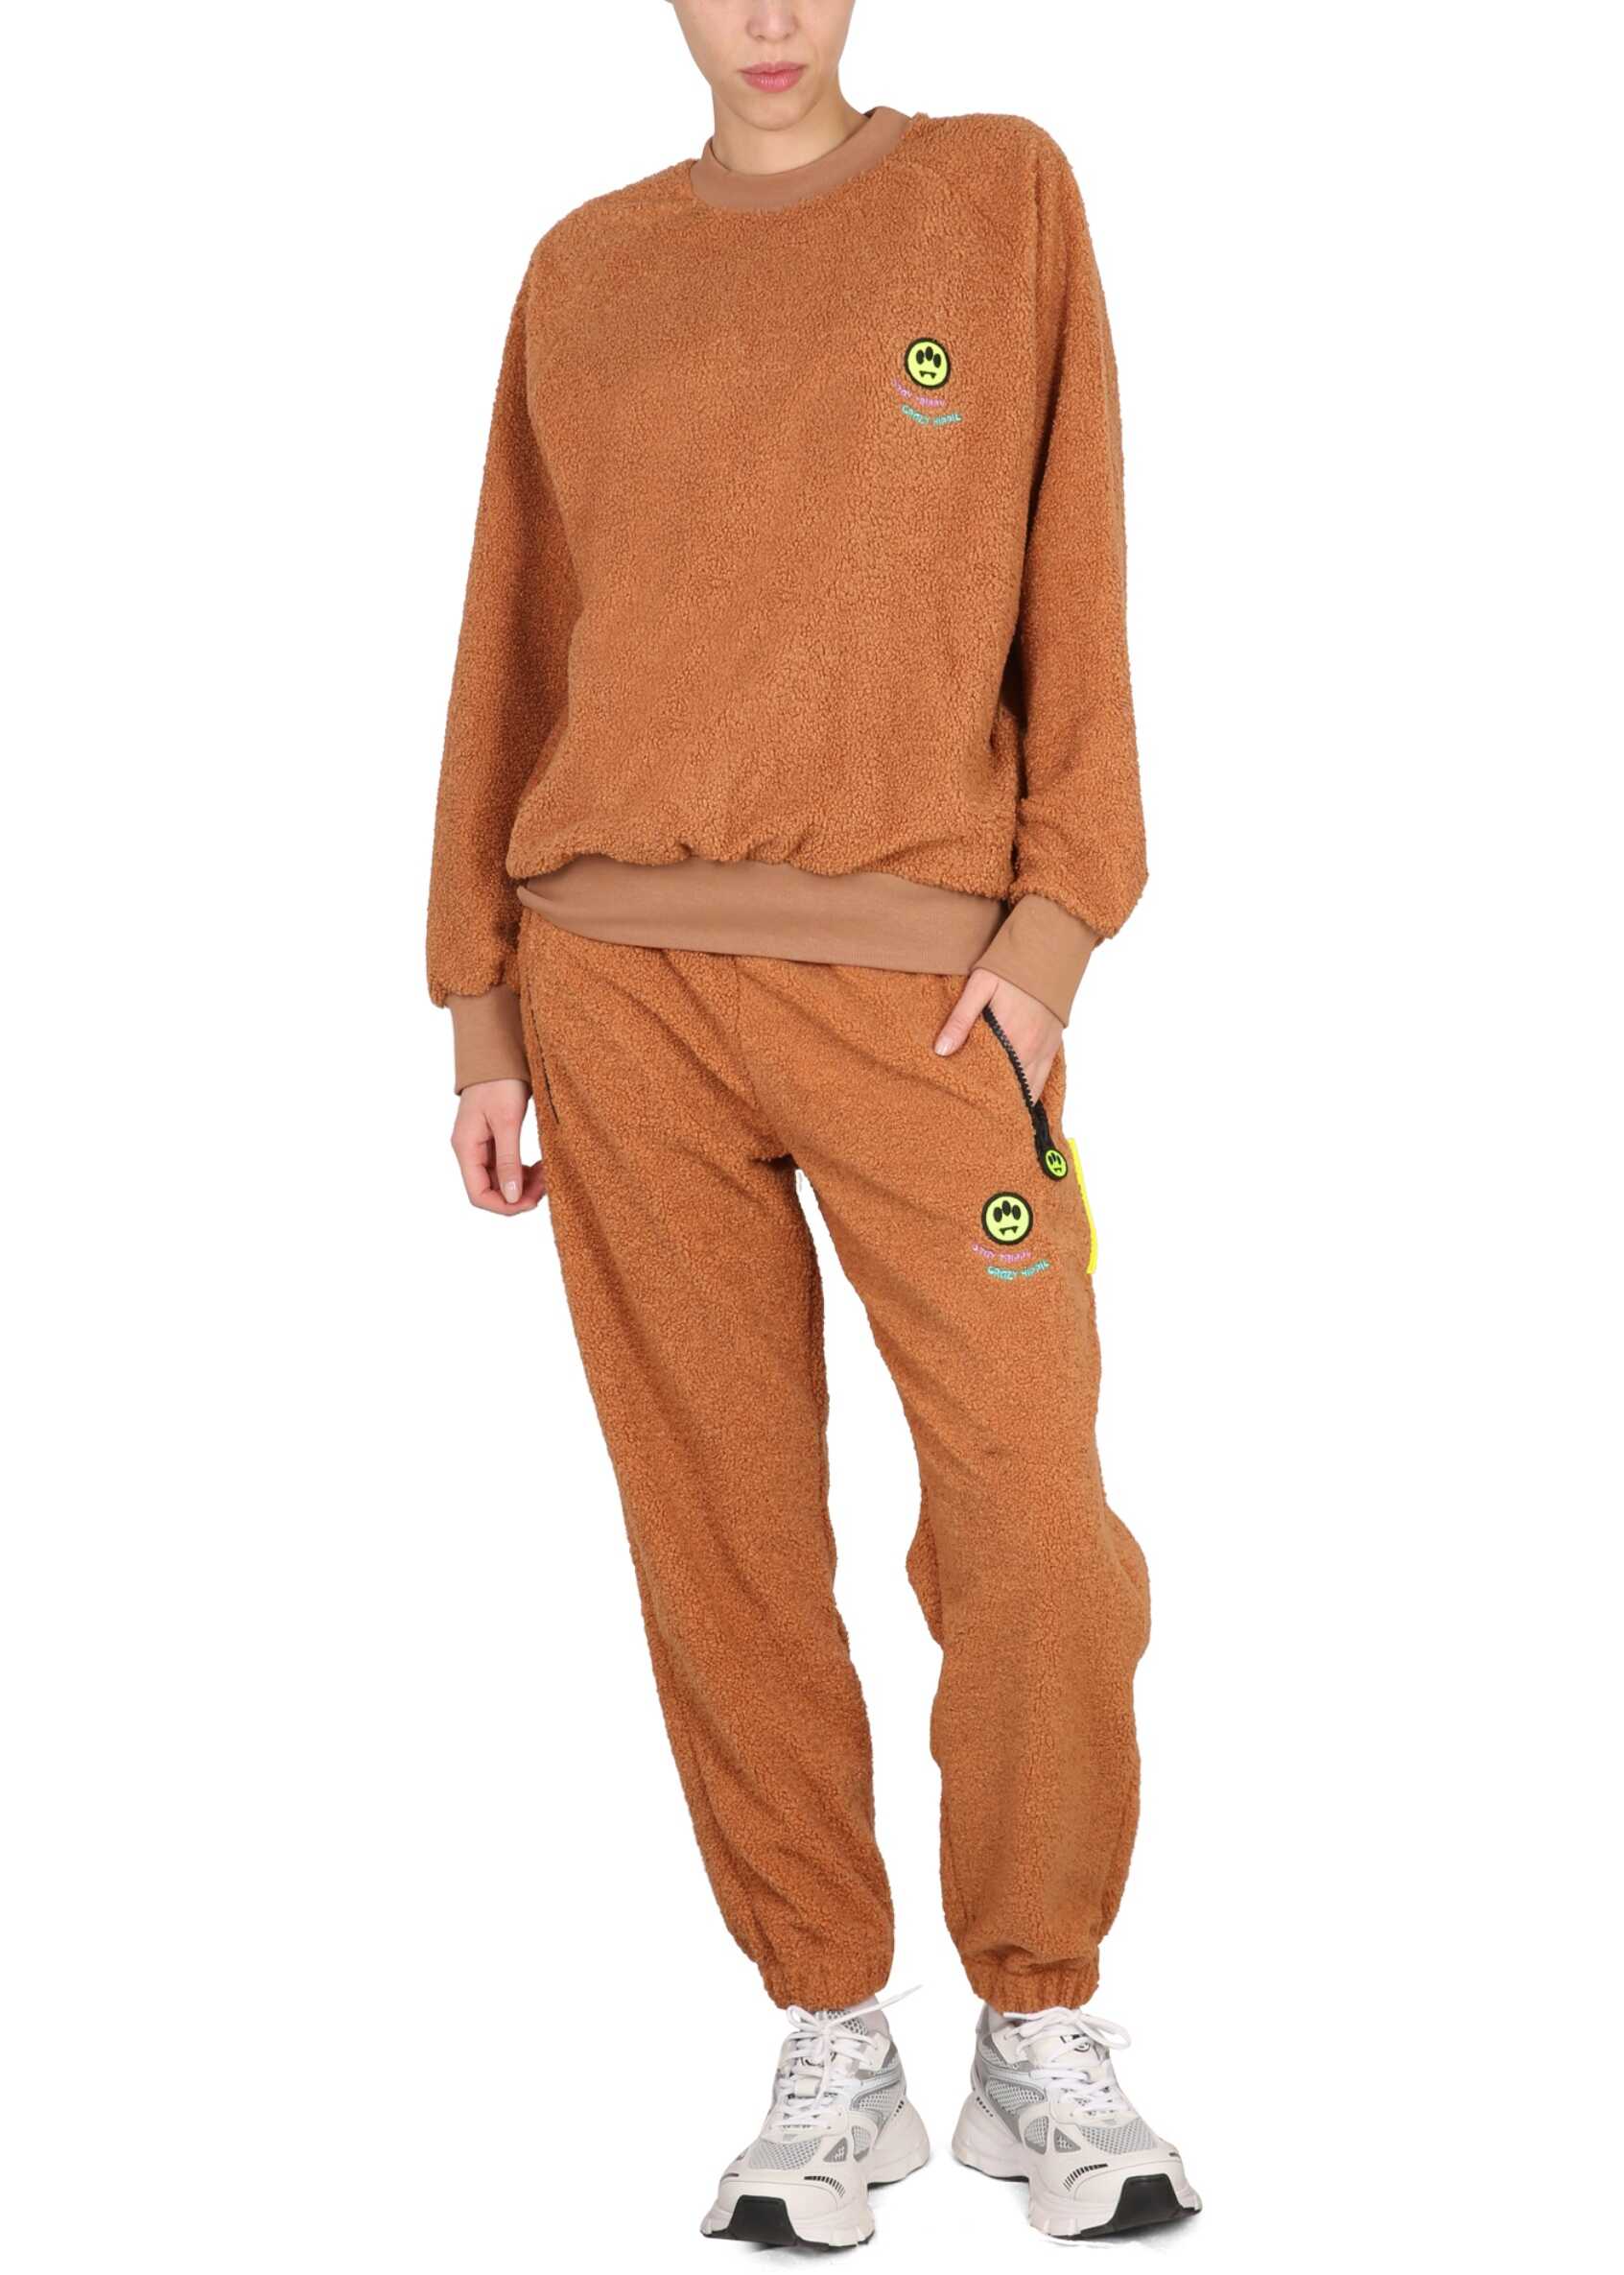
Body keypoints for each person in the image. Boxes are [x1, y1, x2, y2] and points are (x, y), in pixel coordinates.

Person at [427, 0, 1198, 2246]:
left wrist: (1055, 929)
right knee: (722, 1531)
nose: (767, 15)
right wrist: (481, 1003)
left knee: (1031, 1516)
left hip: (928, 999)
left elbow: (1076, 567)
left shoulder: (997, 193)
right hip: (613, 979)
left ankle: (1038, 2021)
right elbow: (510, 636)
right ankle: (829, 2030)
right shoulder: (584, 268)